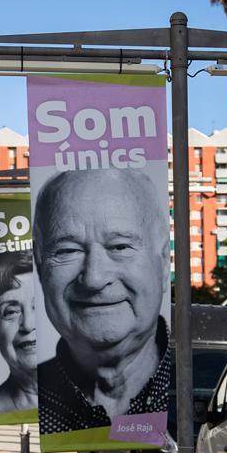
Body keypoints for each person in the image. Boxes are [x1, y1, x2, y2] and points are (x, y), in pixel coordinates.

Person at [33, 169, 172, 434]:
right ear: (40, 268)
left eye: (119, 247)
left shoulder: (200, 390)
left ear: (164, 262)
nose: (94, 278)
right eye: (67, 250)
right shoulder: (32, 395)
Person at [0, 250, 39, 414]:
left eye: (37, 307)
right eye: (10, 312)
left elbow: (121, 433)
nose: (28, 325)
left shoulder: (109, 397)